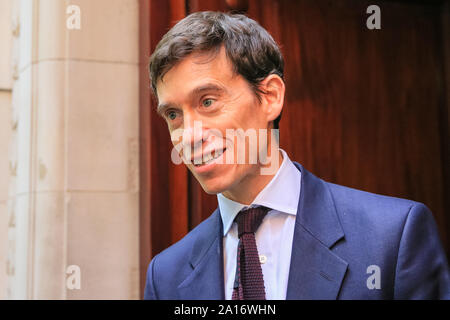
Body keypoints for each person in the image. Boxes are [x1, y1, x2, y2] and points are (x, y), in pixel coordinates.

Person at [144, 11, 450, 300]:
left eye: (208, 101)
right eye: (173, 114)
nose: (190, 135)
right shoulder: (165, 275)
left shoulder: (393, 237)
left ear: (270, 97)